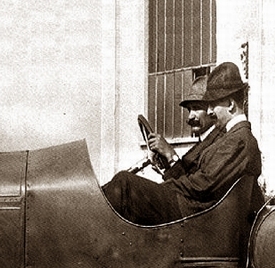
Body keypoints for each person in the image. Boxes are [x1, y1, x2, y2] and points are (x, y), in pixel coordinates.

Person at [102, 62, 264, 225]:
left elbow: (203, 185)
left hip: (196, 215)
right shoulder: (235, 138)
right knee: (122, 186)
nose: (210, 111)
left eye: (213, 104)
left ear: (230, 104)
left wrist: (164, 188)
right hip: (196, 210)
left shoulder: (240, 140)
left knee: (124, 185)